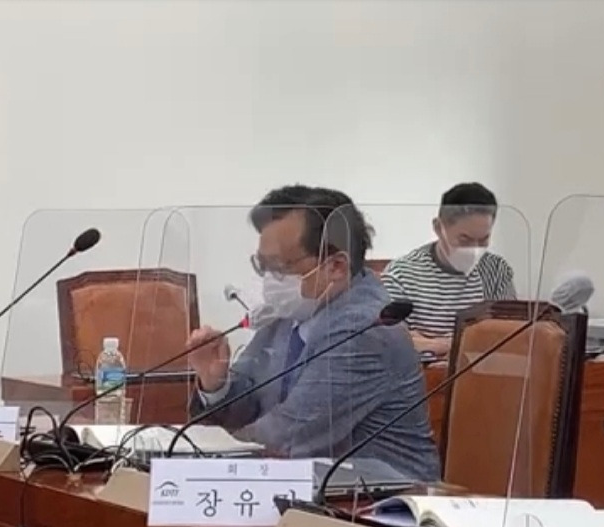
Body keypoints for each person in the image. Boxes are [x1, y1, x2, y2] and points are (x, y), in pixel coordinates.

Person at [185, 185, 440, 482]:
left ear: (336, 266)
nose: (269, 279)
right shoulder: (292, 310)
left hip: (385, 497)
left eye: (278, 266)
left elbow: (287, 436)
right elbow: (250, 404)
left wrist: (192, 455)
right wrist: (216, 385)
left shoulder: (365, 328)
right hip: (305, 486)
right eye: (262, 265)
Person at [381, 182, 516, 358]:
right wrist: (464, 342)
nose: (475, 250)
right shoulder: (401, 275)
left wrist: (430, 344)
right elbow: (390, 343)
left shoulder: (496, 271)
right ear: (439, 228)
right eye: (465, 240)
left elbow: (506, 340)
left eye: (483, 240)